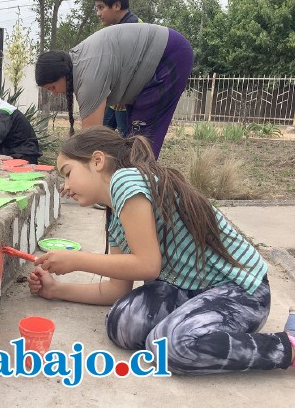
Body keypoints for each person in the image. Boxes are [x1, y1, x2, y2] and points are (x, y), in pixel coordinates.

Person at [28, 126, 295, 375]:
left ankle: (286, 345)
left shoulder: (125, 181)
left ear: (97, 161)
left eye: (67, 172)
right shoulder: (115, 215)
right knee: (122, 325)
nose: (65, 186)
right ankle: (192, 328)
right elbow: (115, 290)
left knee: (167, 346)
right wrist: (57, 290)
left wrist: (76, 260)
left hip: (241, 291)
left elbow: (147, 265)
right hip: (188, 290)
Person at [35, 23, 193, 159]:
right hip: (159, 56)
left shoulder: (88, 78)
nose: (54, 93)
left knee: (142, 144)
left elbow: (91, 142)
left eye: (52, 87)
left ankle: (141, 188)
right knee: (133, 142)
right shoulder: (77, 62)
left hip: (169, 56)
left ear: (62, 74)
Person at [94, 0, 142, 137]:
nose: (98, 13)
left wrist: (124, 92)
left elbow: (134, 64)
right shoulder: (120, 28)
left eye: (101, 7)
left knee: (126, 138)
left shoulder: (132, 28)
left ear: (116, 5)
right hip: (117, 101)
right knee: (103, 133)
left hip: (126, 100)